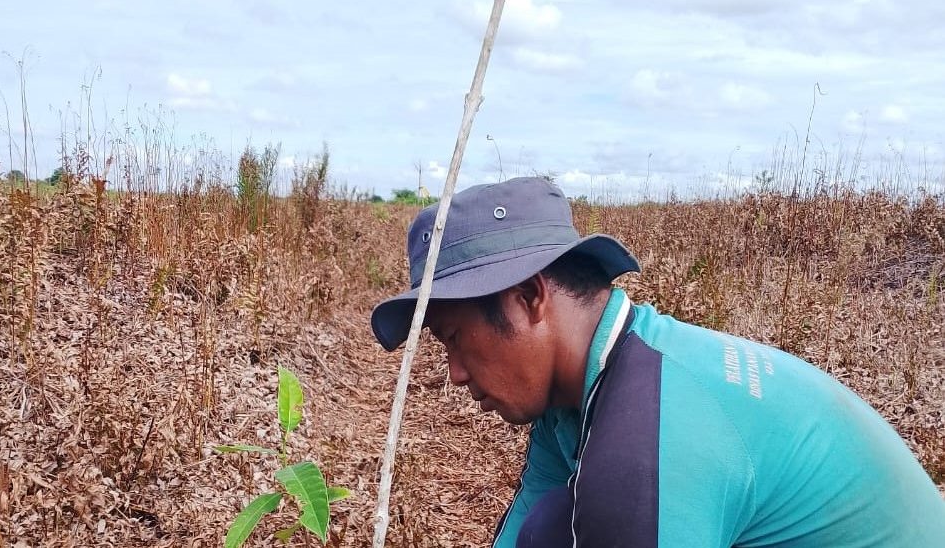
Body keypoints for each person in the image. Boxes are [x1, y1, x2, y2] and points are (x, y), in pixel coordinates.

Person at [370, 176, 945, 547]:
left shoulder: (648, 443)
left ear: (528, 298)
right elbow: (528, 524)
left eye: (453, 338)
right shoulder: (597, 381)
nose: (456, 374)